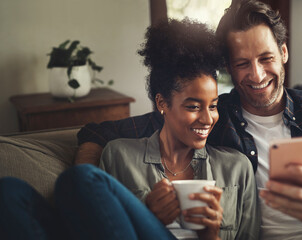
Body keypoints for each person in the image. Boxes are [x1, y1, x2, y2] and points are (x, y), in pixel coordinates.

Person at [75, 0, 302, 239]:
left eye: (265, 58)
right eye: (242, 63)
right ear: (228, 68)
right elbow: (98, 132)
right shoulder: (214, 114)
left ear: (283, 52)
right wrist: (86, 192)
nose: (257, 75)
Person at [0, 19, 260, 240]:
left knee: (82, 178)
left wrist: (211, 236)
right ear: (162, 103)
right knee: (8, 192)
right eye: (193, 107)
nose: (208, 119)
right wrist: (146, 212)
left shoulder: (236, 168)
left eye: (213, 106)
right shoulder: (119, 155)